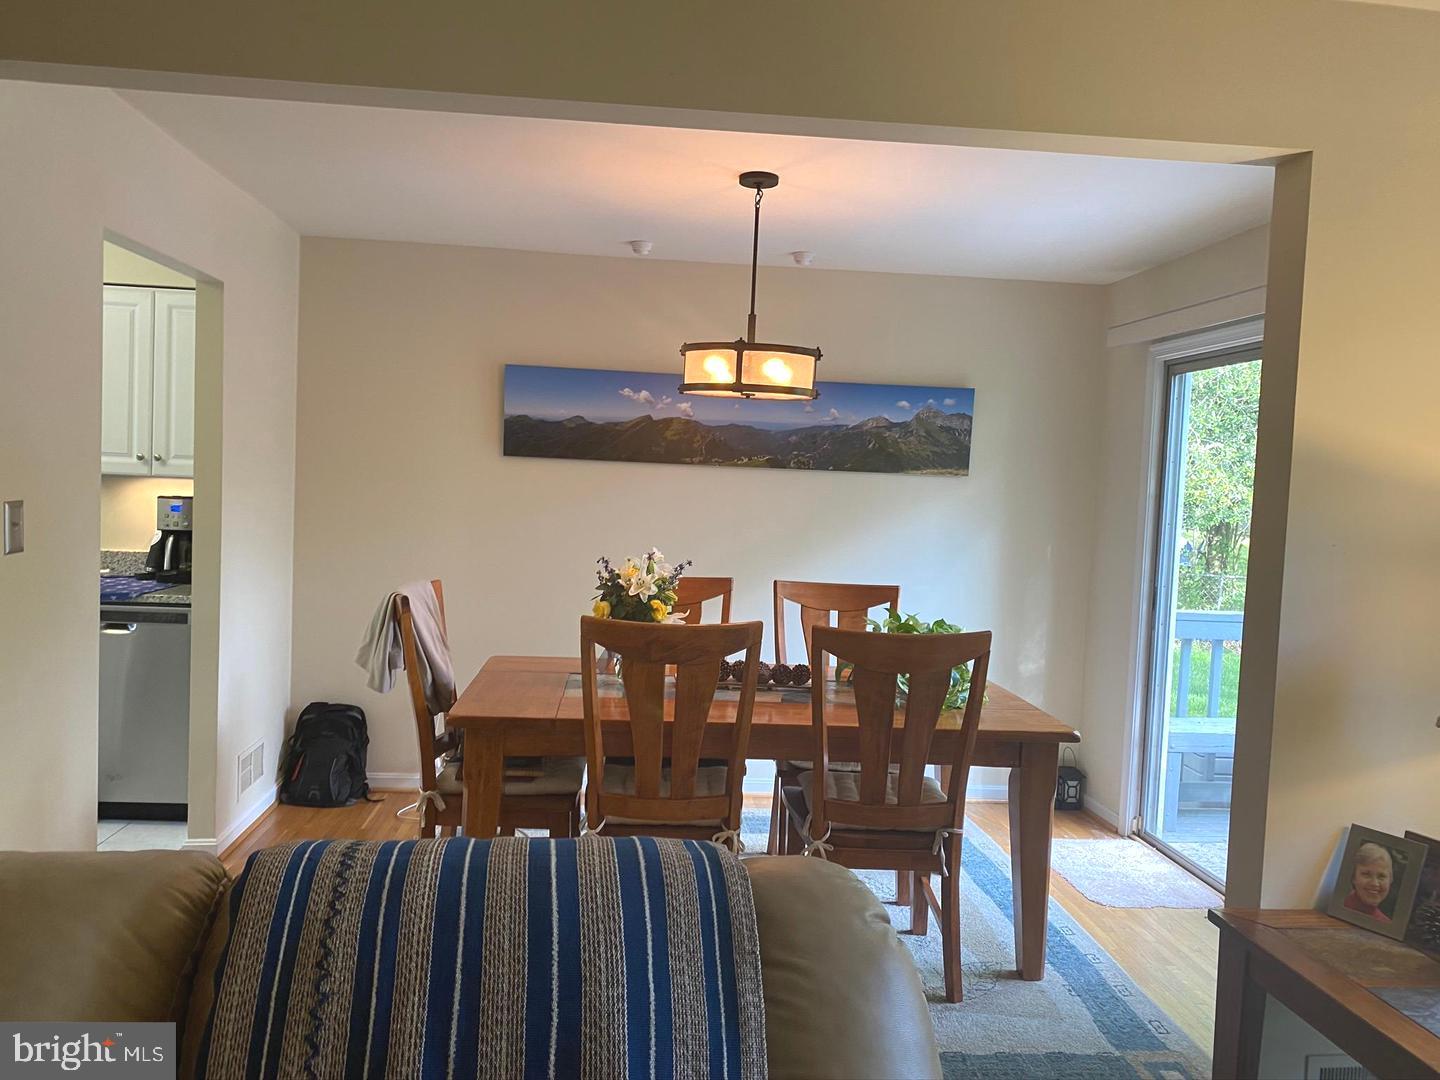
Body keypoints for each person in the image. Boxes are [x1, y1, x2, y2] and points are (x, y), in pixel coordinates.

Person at [1343, 842, 1395, 921]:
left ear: (1390, 879)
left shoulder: (1385, 923)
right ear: (1353, 877)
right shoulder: (1340, 907)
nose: (1374, 883)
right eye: (1366, 874)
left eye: (1381, 876)